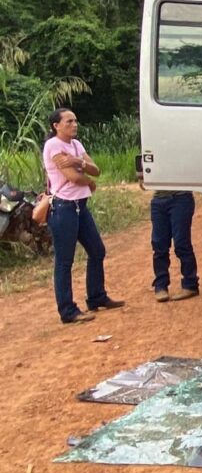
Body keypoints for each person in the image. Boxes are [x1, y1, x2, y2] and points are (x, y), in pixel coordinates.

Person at [43, 108, 124, 323]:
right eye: (69, 121)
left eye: (75, 121)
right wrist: (87, 179)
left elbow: (95, 169)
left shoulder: (76, 146)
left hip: (80, 206)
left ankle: (96, 297)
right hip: (63, 208)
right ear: (56, 126)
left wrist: (78, 162)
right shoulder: (53, 146)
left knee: (97, 250)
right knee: (64, 261)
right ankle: (67, 311)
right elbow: (74, 178)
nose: (74, 125)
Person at [150, 191, 198, 302]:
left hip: (181, 197)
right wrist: (140, 174)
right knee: (159, 245)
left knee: (182, 244)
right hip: (158, 199)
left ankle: (190, 284)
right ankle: (161, 285)